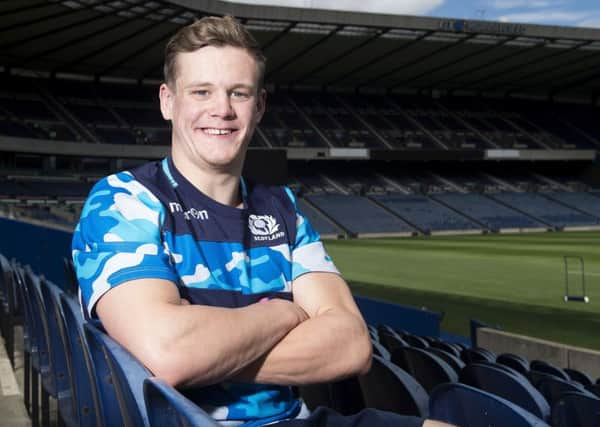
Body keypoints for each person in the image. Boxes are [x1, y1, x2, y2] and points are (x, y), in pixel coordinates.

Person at [72, 15, 452, 427]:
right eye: (201, 91)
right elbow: (168, 352)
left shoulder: (282, 208)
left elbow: (351, 346)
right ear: (167, 101)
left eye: (239, 93)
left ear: (260, 107)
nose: (221, 110)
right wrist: (283, 314)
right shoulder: (125, 201)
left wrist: (207, 351)